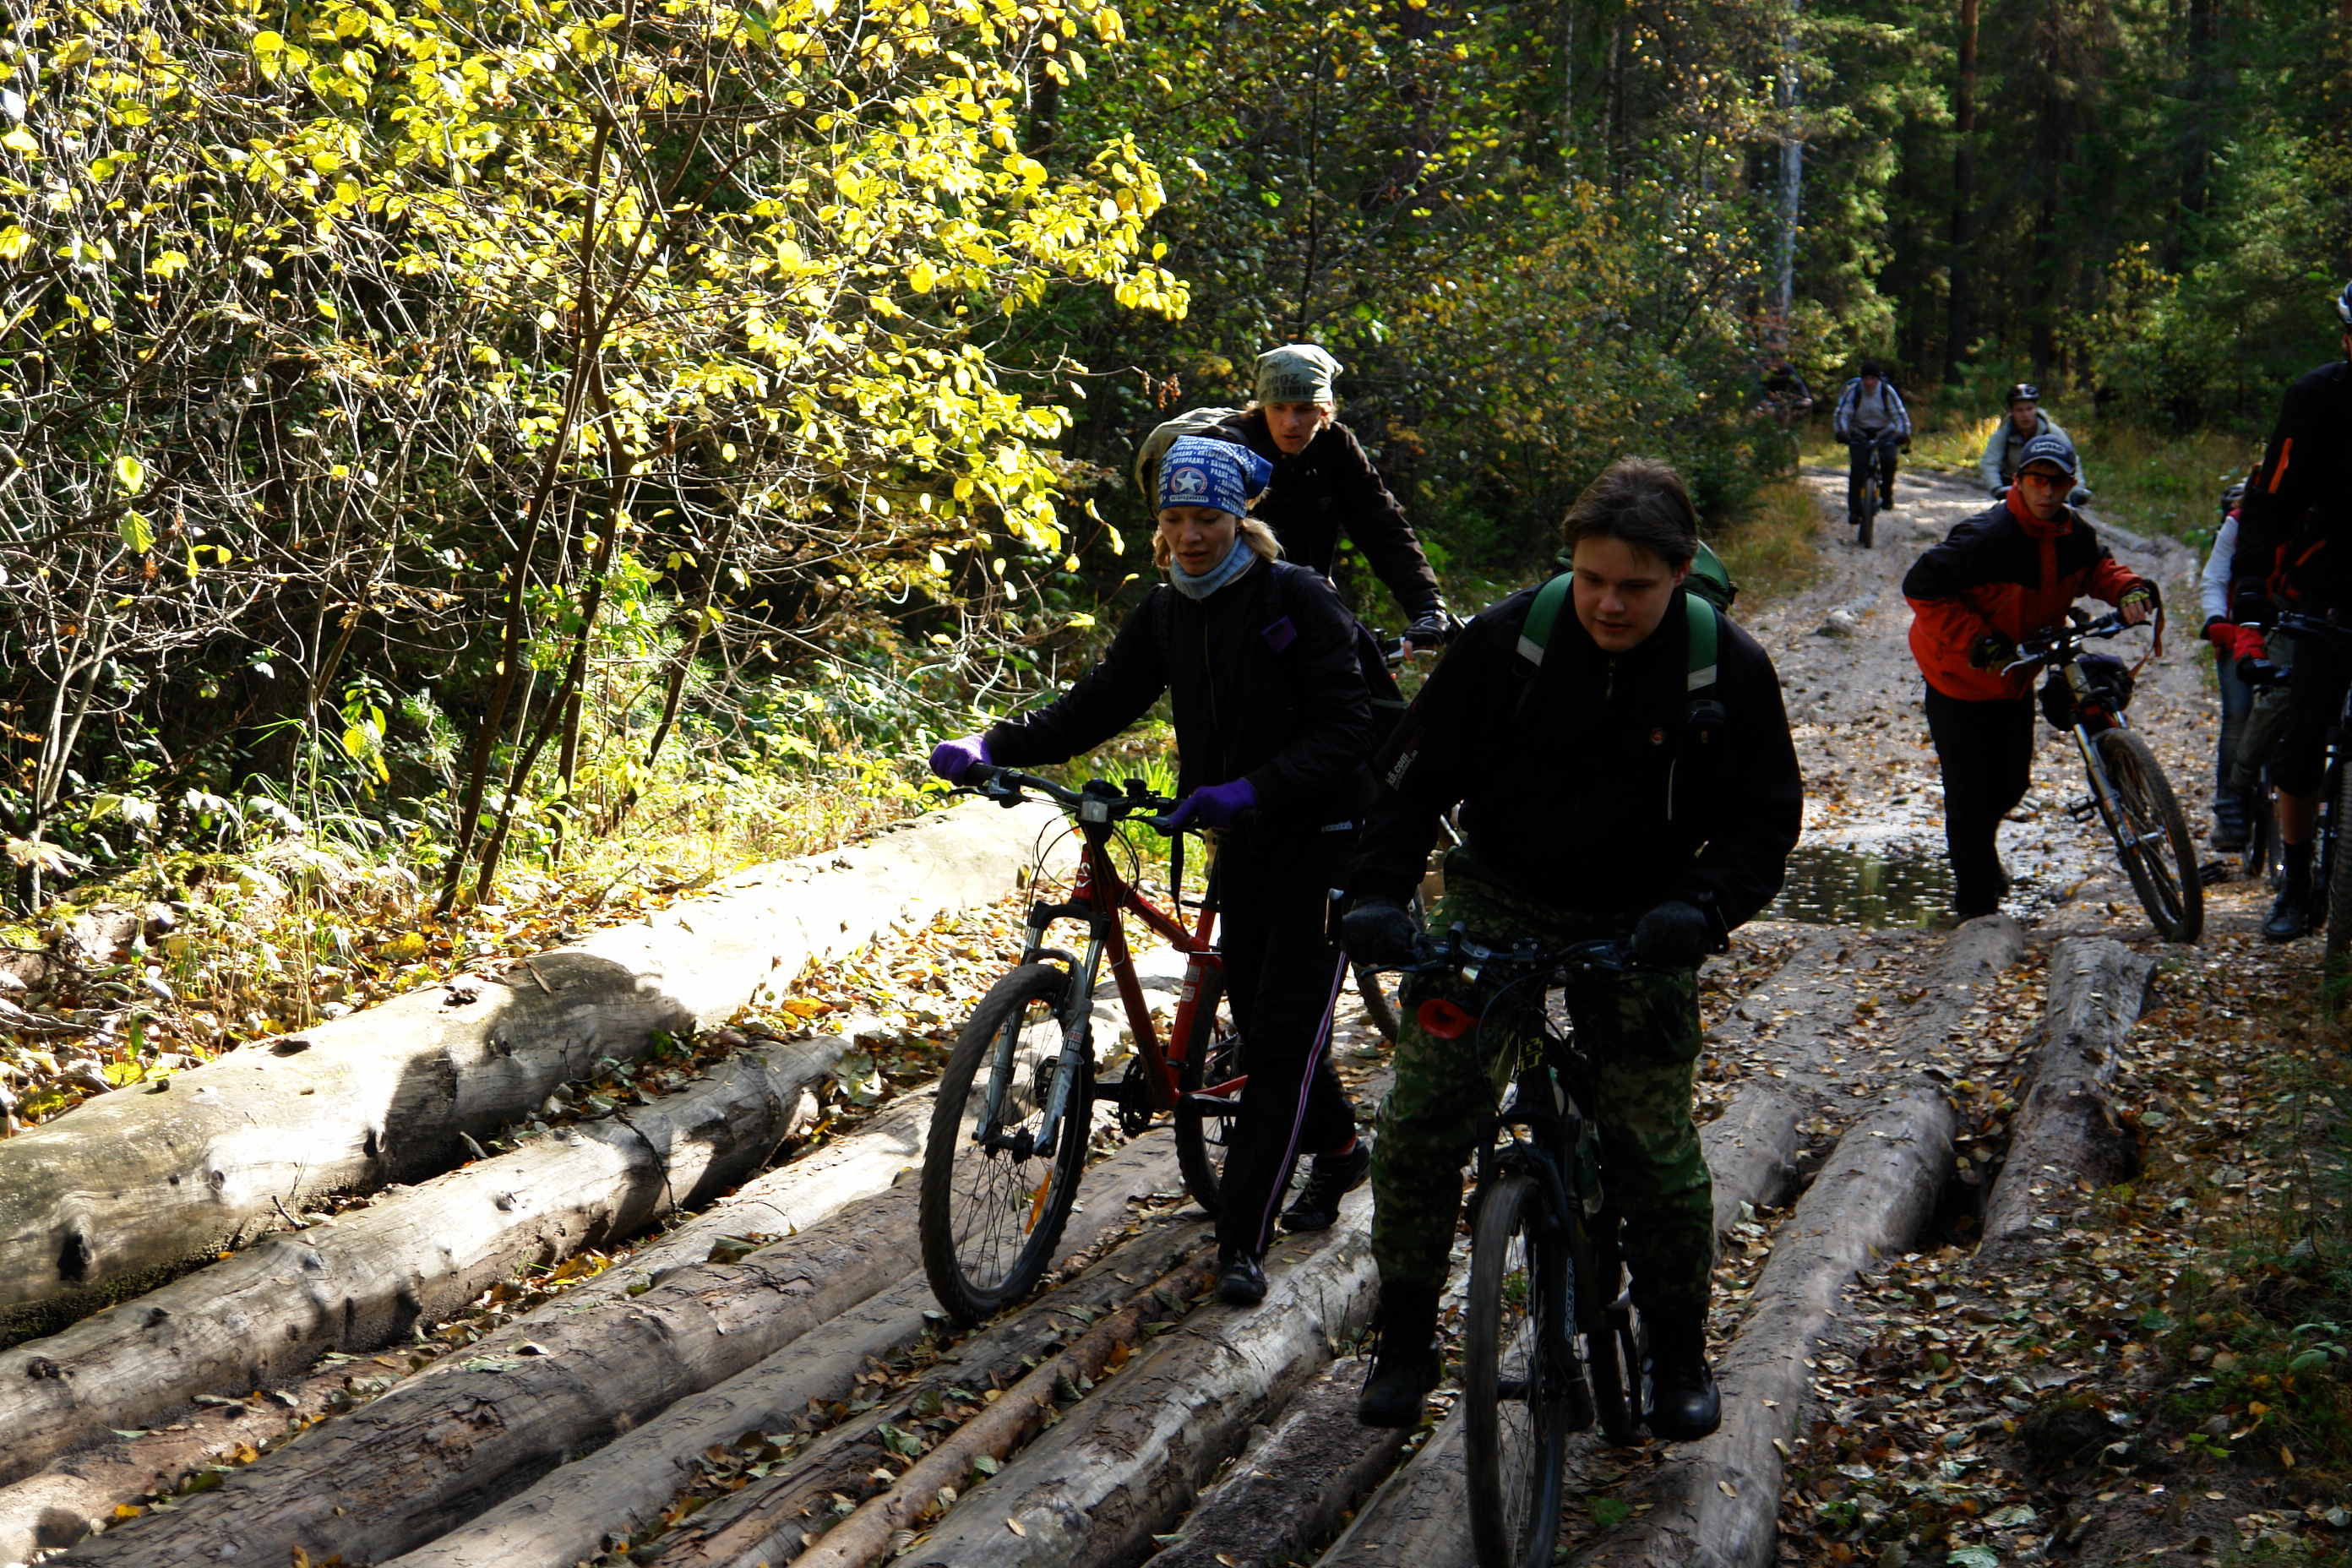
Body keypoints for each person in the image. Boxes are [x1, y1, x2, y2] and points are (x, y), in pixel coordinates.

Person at [1337, 457, 1802, 1440]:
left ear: (1681, 572)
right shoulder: (1508, 642)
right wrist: (1376, 892)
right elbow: (1406, 785)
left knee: (1652, 1145)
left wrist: (1702, 908)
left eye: (1636, 584)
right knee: (1422, 1119)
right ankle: (1406, 1334)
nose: (1609, 603)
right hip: (1499, 897)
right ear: (1570, 565)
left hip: (1645, 913)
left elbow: (1764, 826)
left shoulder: (1727, 666)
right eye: (1591, 578)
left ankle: (1676, 1348)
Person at [928, 437, 1375, 1305]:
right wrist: (991, 744)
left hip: (1328, 838)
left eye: (1207, 518)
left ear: (1239, 518)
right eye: (1174, 519)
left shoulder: (1295, 597)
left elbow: (1349, 729)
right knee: (1264, 1018)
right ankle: (1343, 1150)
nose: (1191, 536)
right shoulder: (1168, 612)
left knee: (1282, 1036)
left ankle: (1241, 1241)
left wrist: (1254, 786)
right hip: (1243, 841)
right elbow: (1095, 706)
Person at [1903, 433, 2158, 920]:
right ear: (2018, 481)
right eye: (2038, 480)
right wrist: (1978, 638)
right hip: (1957, 677)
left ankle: (1980, 858)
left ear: (2071, 486)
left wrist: (2127, 590)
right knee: (1969, 796)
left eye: (2057, 482)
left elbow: (2098, 568)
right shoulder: (1985, 536)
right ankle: (1977, 903)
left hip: (2014, 674)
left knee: (2011, 783)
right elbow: (1920, 585)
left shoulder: (2072, 533)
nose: (2048, 491)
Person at [2228, 282, 2352, 941]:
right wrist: (2251, 584)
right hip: (2331, 585)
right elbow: (2273, 497)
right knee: (2301, 748)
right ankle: (2297, 886)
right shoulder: (2315, 397)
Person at [1204, 346, 1451, 664]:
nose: (1290, 422)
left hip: (1310, 607)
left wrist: (1428, 608)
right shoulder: (1225, 449)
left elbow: (1382, 528)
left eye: (1304, 408)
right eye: (1278, 408)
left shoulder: (1335, 445)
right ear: (1263, 406)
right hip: (1232, 620)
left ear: (1325, 409)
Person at [2200, 482, 2261, 851]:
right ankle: (2229, 807)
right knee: (2238, 714)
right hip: (2237, 629)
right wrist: (2217, 620)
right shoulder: (2237, 524)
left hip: (2288, 628)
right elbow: (2214, 579)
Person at [1978, 382, 2093, 505]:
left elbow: (2072, 462)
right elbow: (1990, 463)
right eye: (2020, 410)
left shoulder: (2052, 432)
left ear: (2036, 408)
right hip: (2013, 489)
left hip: (2048, 487)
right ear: (2011, 411)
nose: (2025, 415)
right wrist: (1997, 488)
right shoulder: (2003, 434)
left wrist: (2077, 490)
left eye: (2029, 409)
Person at [1832, 360, 1912, 522]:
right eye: (1866, 378)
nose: (1869, 382)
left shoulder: (1886, 391)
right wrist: (1842, 431)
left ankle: (1886, 495)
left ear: (1878, 379)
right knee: (1857, 469)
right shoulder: (1854, 391)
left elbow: (1899, 414)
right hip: (1860, 432)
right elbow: (1843, 413)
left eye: (1873, 378)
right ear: (1862, 379)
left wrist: (1903, 433)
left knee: (1889, 460)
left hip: (1884, 432)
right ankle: (1854, 511)